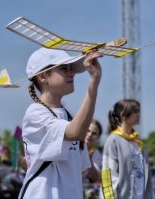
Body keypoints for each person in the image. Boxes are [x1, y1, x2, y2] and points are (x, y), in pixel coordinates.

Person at [19, 47, 102, 199]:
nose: (71, 73)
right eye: (64, 69)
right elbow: (75, 133)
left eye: (71, 68)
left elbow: (80, 168)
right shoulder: (35, 113)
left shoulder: (68, 116)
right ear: (43, 76)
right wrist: (94, 81)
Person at [101, 99, 155, 199]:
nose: (139, 115)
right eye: (135, 111)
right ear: (123, 115)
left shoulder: (139, 143)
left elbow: (147, 179)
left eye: (139, 111)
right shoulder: (113, 140)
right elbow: (107, 176)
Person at [83, 119, 103, 199]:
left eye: (94, 133)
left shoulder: (96, 154)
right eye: (87, 130)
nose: (90, 134)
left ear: (98, 137)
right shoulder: (72, 146)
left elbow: (95, 178)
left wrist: (90, 160)